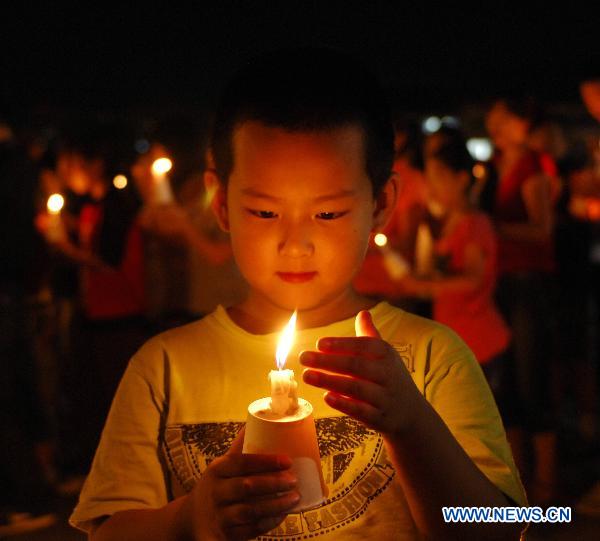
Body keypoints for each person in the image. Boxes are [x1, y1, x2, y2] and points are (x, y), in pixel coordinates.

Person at [70, 49, 526, 540]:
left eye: (328, 214)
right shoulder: (163, 367)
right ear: (221, 204)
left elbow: (496, 528)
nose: (295, 242)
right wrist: (190, 518)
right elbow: (107, 532)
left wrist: (413, 425)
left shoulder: (432, 357)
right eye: (265, 213)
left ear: (382, 204)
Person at [398, 138, 514, 431]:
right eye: (430, 178)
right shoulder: (449, 221)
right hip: (460, 336)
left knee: (479, 427)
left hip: (479, 338)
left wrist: (425, 286)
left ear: (461, 179)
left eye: (439, 178)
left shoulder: (474, 224)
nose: (432, 187)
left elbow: (473, 278)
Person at [484, 98, 559, 504]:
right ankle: (519, 482)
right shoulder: (495, 167)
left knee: (532, 377)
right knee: (507, 381)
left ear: (521, 122)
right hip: (501, 285)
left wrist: (492, 228)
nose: (494, 125)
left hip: (528, 285)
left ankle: (547, 485)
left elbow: (542, 229)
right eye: (492, 119)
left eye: (502, 118)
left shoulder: (532, 166)